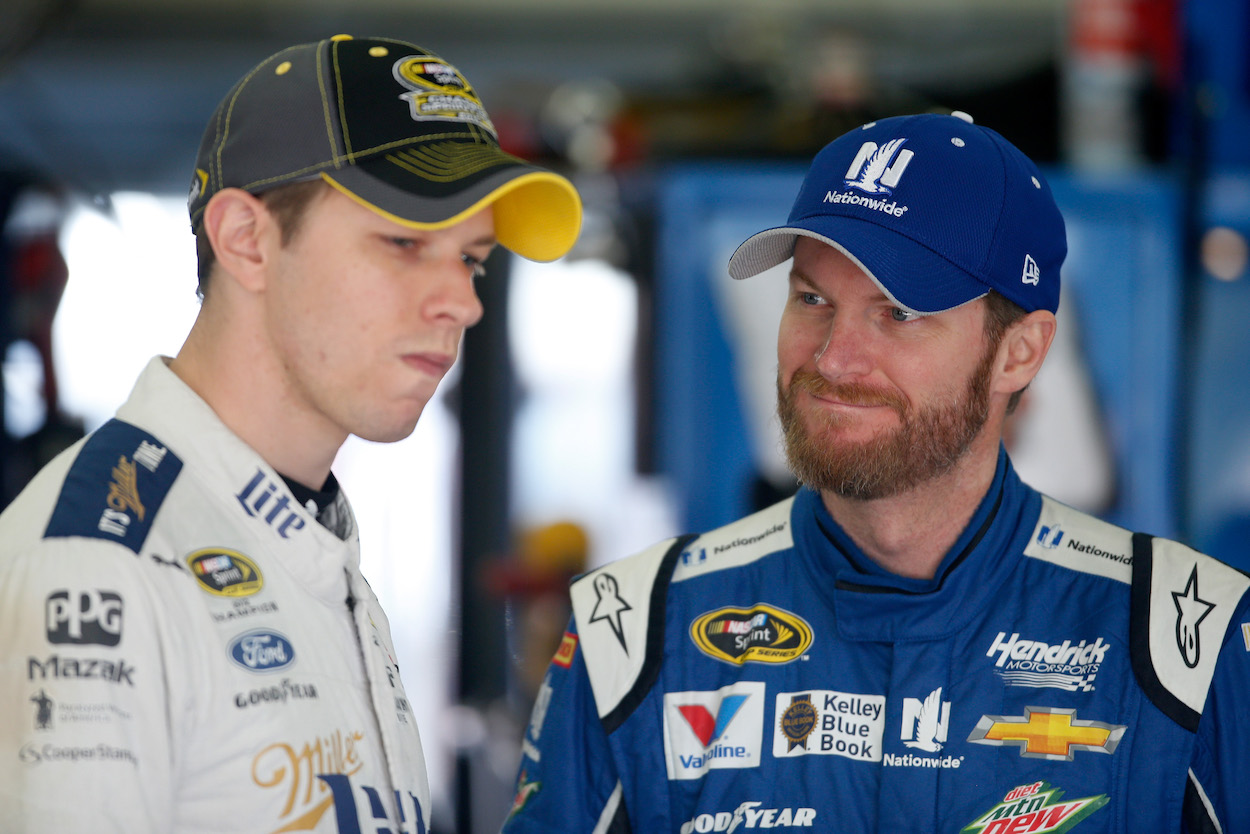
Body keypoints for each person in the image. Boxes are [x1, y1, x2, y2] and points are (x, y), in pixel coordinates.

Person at [501, 112, 1250, 833]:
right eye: (812, 299)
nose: (832, 360)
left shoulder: (1189, 643)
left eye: (898, 312)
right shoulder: (635, 629)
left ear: (1019, 352)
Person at [0, 34, 580, 832]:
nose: (462, 303)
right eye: (406, 243)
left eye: (471, 260)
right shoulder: (100, 568)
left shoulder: (309, 544)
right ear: (246, 240)